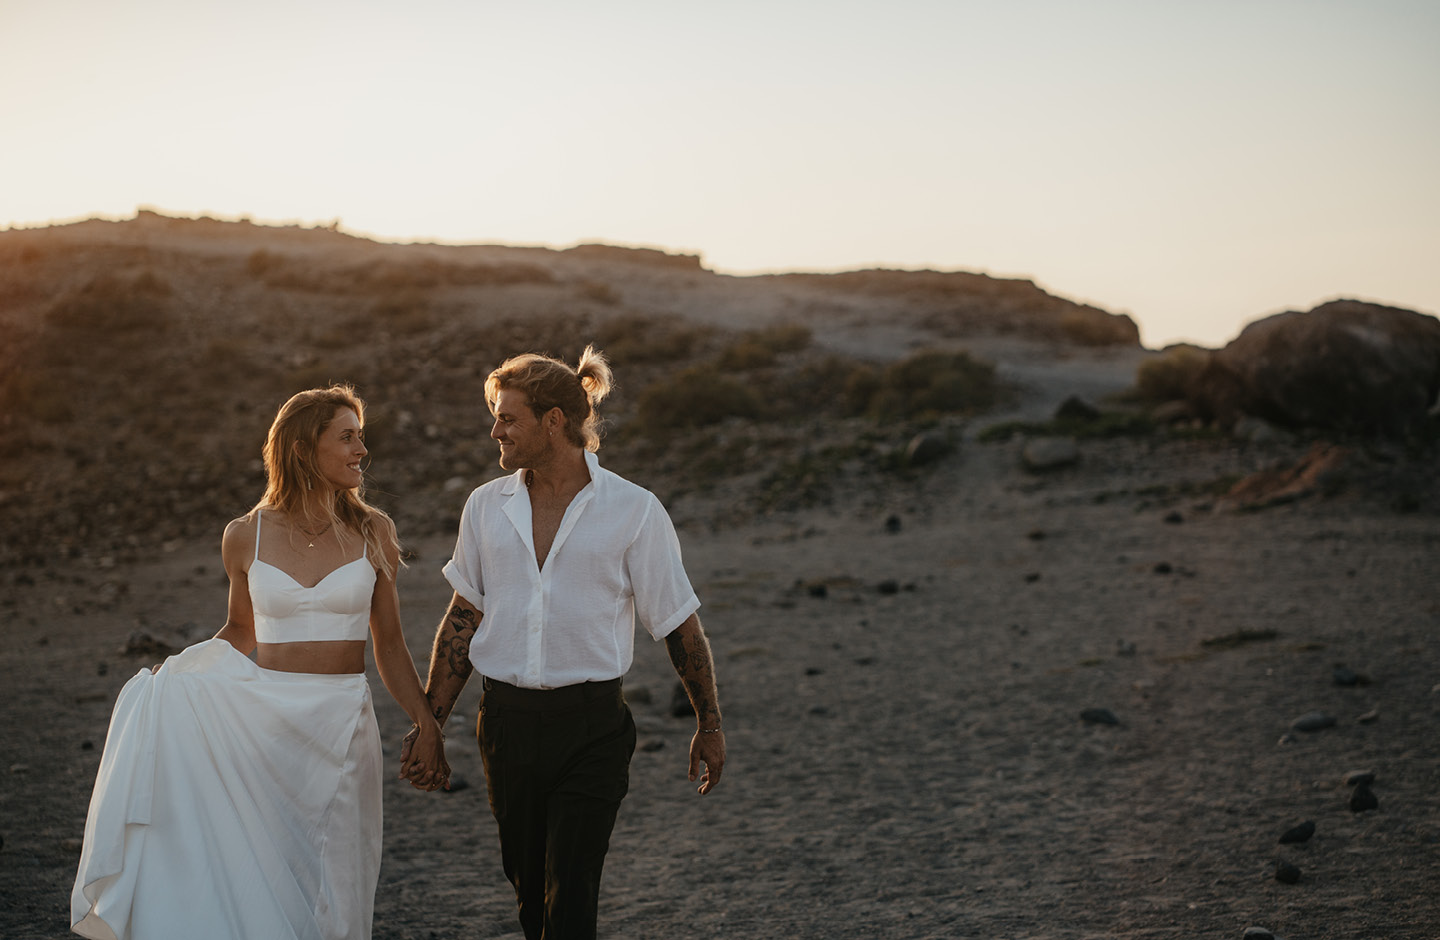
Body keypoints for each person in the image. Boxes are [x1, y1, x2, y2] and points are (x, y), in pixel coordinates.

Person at [71, 385, 447, 940]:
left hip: (342, 723)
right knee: (267, 873)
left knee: (341, 881)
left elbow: (389, 643)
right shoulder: (245, 535)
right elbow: (242, 630)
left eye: (360, 438)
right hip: (263, 727)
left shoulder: (374, 531)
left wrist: (427, 722)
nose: (362, 451)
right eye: (347, 437)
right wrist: (175, 677)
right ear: (302, 449)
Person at [400, 345, 725, 940]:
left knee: (570, 891)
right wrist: (431, 723)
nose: (495, 430)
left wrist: (709, 723)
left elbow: (679, 623)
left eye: (507, 418)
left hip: (592, 727)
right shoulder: (484, 507)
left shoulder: (635, 510)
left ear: (554, 421)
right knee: (531, 896)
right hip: (505, 724)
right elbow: (462, 619)